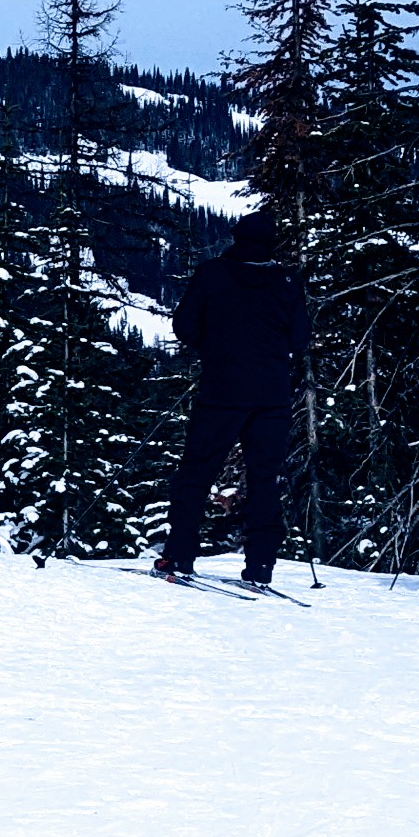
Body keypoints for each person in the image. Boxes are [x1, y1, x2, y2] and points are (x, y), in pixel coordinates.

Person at [157, 208, 309, 584]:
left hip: (222, 388)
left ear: (236, 237)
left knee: (197, 472)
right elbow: (300, 338)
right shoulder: (287, 280)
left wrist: (215, 346)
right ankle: (260, 565)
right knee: (264, 477)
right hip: (272, 393)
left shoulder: (213, 273)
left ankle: (179, 555)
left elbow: (184, 326)